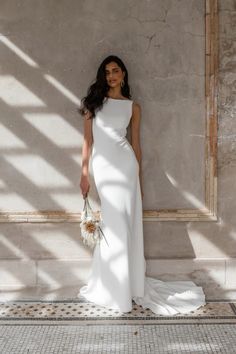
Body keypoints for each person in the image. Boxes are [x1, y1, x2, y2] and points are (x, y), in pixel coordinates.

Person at [77, 55, 206, 315]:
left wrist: (138, 180)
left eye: (115, 71)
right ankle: (113, 286)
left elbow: (136, 145)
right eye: (107, 72)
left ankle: (124, 288)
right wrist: (84, 175)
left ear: (123, 74)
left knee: (124, 227)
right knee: (114, 227)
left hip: (126, 169)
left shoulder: (133, 107)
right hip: (103, 169)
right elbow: (88, 142)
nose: (111, 75)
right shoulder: (94, 104)